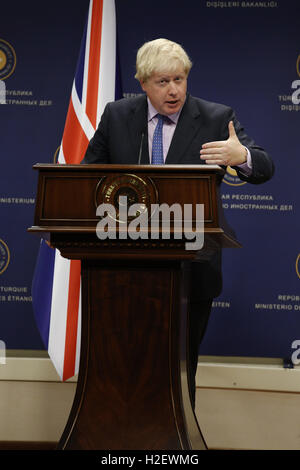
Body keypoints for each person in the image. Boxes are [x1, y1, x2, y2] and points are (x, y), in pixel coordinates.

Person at [82, 38, 274, 409]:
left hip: (191, 267)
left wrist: (243, 155)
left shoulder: (216, 118)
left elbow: (264, 168)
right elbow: (89, 178)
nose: (174, 90)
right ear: (142, 82)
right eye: (163, 81)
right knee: (125, 368)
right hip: (124, 268)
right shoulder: (118, 116)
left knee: (180, 371)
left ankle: (179, 440)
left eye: (180, 79)